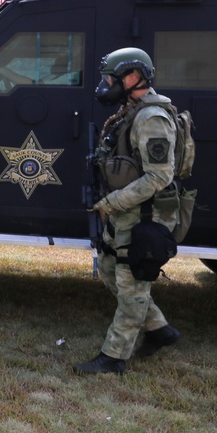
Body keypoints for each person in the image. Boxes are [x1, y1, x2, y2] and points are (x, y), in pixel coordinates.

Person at [75, 47, 182, 375]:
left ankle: (114, 357)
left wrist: (112, 202)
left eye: (113, 77)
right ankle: (160, 330)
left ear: (134, 77)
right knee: (109, 269)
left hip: (145, 214)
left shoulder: (152, 119)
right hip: (126, 210)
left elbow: (159, 176)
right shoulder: (131, 110)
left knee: (132, 283)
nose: (107, 83)